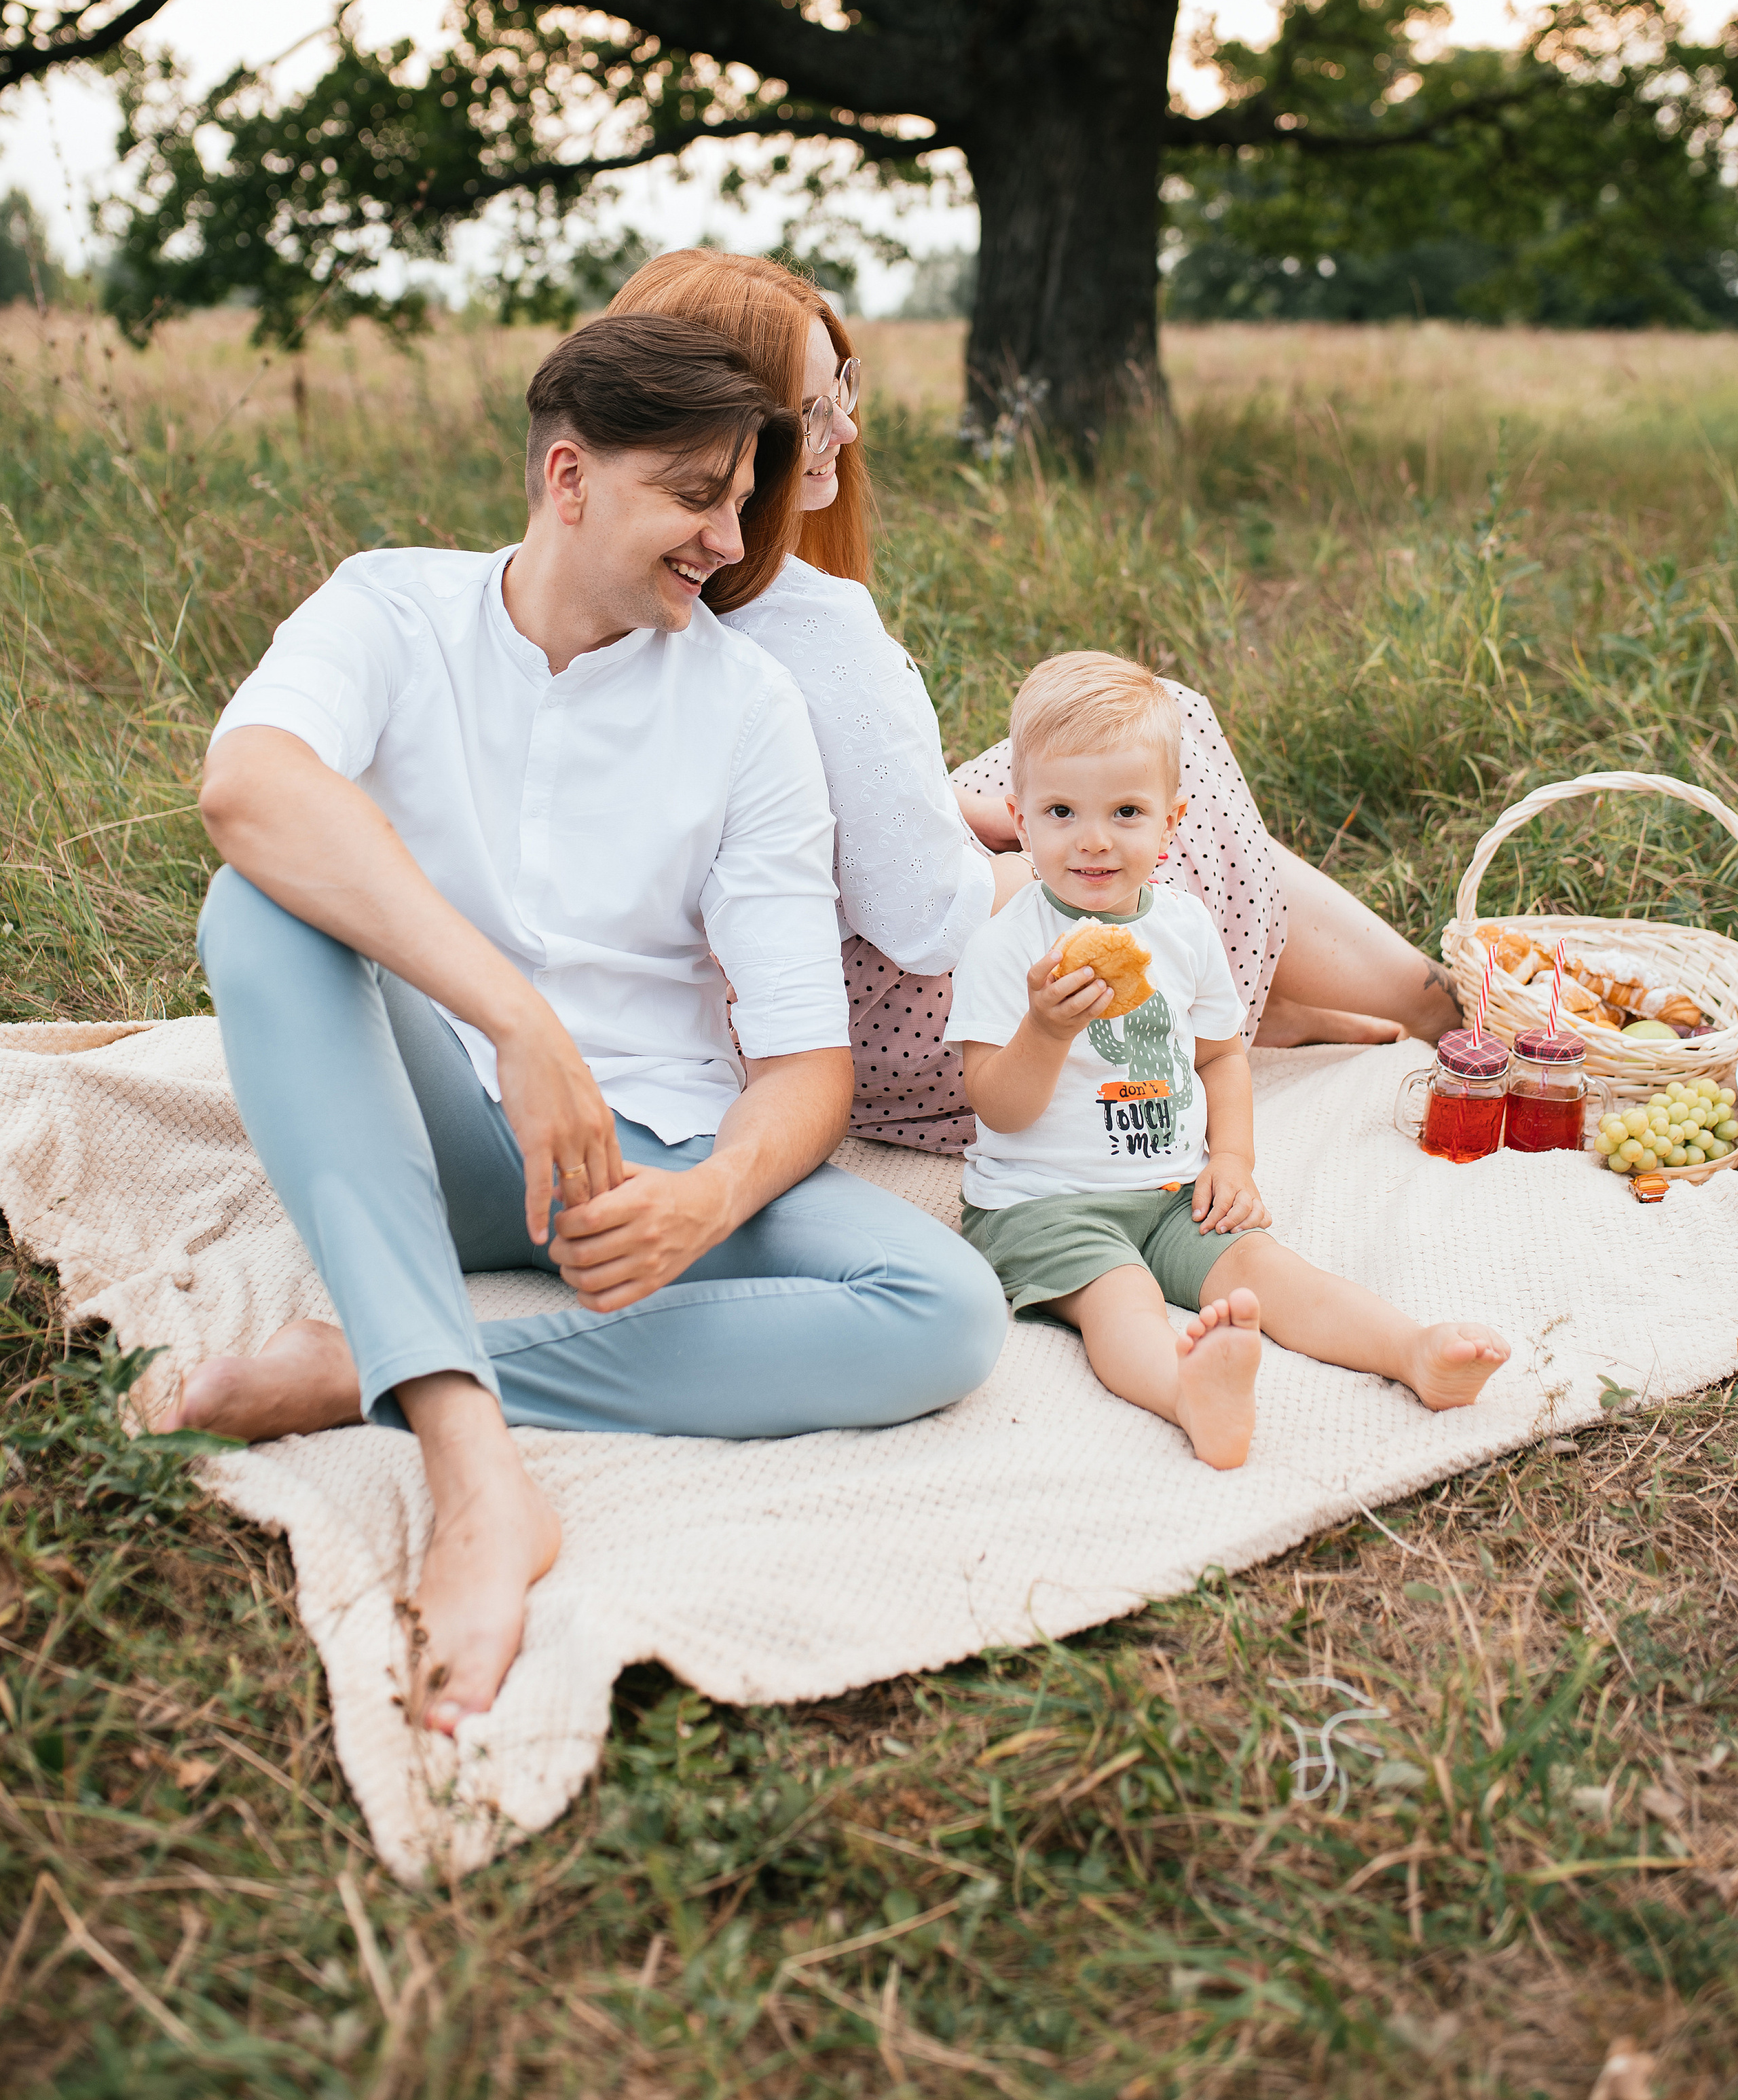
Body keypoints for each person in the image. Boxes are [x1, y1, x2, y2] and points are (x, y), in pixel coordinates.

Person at [165, 314, 1007, 1733]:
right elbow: (247, 789)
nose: (724, 540)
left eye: (739, 502)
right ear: (567, 480)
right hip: (428, 1119)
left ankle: (361, 1363)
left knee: (941, 1313)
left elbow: (807, 1064)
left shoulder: (748, 709)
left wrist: (709, 1199)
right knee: (254, 906)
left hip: (643, 1158)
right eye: (690, 496)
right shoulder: (391, 611)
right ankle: (469, 1464)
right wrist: (513, 1021)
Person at [606, 251, 1461, 1156]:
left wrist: (979, 814)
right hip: (915, 1036)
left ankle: (1278, 994)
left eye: (844, 391)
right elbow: (930, 922)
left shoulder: (621, 594)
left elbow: (806, 806)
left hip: (754, 1006)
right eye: (814, 413)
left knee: (1059, 775)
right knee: (1161, 754)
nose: (846, 431)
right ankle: (1426, 999)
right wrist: (1057, 836)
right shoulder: (812, 626)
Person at [944, 652, 1511, 1469]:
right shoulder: (1006, 947)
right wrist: (1043, 1028)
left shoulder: (1182, 928)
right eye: (1062, 811)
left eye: (1127, 812)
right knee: (1121, 1300)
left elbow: (1219, 1059)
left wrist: (1233, 1159)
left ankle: (1412, 1352)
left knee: (1269, 1270)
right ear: (1018, 820)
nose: (1094, 840)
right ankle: (1187, 1393)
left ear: (1171, 823)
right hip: (1045, 1205)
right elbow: (997, 1106)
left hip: (1173, 1192)